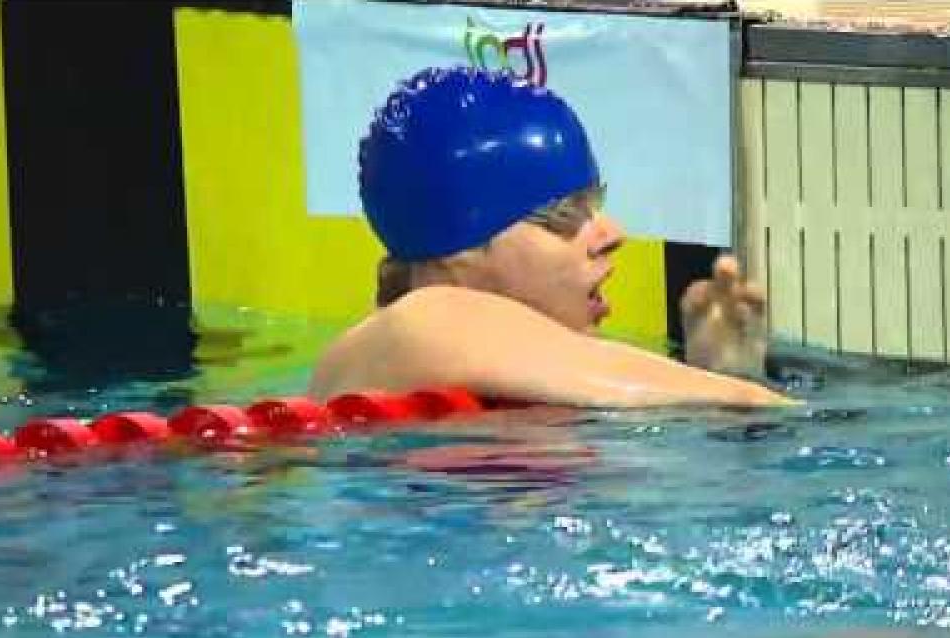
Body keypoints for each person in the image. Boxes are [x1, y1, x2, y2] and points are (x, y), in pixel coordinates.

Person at [307, 66, 798, 408]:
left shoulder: (494, 379)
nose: (611, 234)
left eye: (595, 208)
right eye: (563, 215)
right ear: (459, 252)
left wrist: (726, 375)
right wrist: (753, 400)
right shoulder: (419, 322)